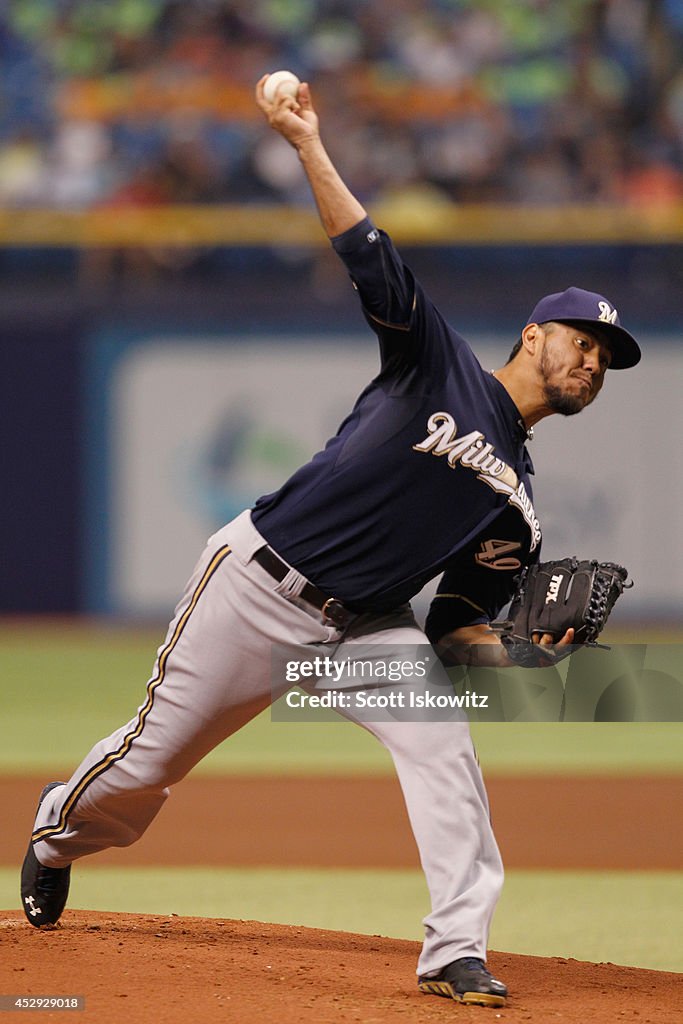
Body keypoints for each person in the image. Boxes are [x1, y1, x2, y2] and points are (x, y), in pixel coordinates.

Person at [20, 78, 641, 1009]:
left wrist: (518, 651)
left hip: (361, 634)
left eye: (605, 355)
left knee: (441, 744)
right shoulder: (436, 361)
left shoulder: (519, 513)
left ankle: (454, 949)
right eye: (580, 338)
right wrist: (307, 142)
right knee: (148, 765)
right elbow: (365, 249)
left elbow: (452, 632)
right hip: (258, 585)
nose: (591, 359)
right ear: (532, 333)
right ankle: (54, 833)